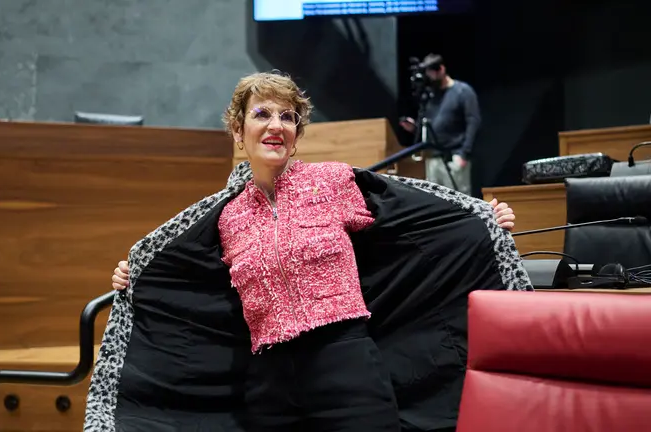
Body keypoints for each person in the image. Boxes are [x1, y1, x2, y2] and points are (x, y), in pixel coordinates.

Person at [110, 71, 514, 431]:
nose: (276, 125)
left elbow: (415, 206)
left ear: (298, 135)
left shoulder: (333, 181)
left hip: (346, 365)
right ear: (238, 130)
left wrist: (481, 216)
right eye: (262, 114)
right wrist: (137, 276)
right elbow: (187, 277)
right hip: (268, 382)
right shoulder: (224, 217)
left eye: (288, 117)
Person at [400, 54, 480, 196]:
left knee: (459, 201)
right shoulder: (431, 96)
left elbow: (473, 122)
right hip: (432, 158)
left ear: (441, 69)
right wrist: (415, 128)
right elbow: (431, 125)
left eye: (432, 74)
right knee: (435, 202)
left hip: (453, 157)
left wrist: (464, 153)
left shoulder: (462, 91)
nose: (430, 79)